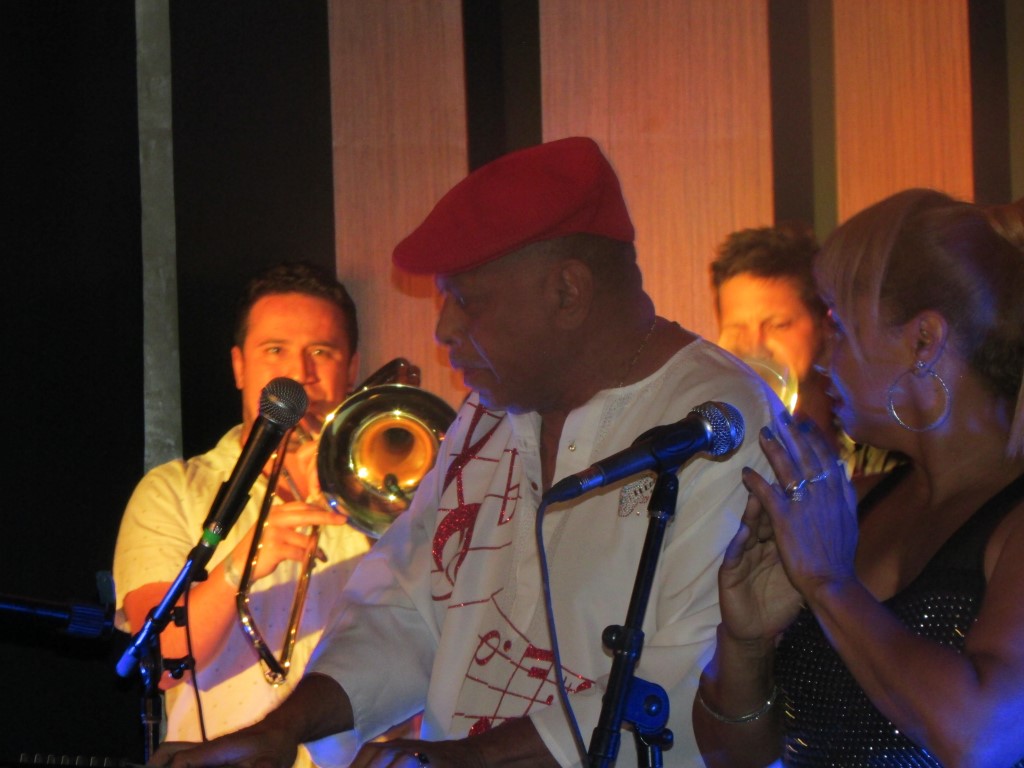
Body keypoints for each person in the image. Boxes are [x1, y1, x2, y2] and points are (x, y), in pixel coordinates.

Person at [152, 137, 782, 768]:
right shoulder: (489, 412)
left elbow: (687, 676)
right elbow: (406, 607)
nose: (443, 329)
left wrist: (467, 759)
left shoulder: (722, 421)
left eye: (466, 300)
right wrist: (282, 729)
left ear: (567, 291)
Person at [693, 189, 1024, 767]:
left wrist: (830, 586)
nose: (823, 359)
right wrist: (746, 643)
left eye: (840, 328)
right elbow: (731, 757)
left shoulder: (1012, 521)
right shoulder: (852, 505)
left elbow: (983, 738)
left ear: (924, 341)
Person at [113, 262, 375, 767]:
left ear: (352, 369)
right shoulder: (173, 491)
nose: (300, 374)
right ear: (239, 366)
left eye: (322, 352)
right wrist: (241, 562)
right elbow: (161, 658)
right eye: (275, 350)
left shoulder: (391, 494)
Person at [710, 224, 899, 478]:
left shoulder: (878, 445)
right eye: (737, 328)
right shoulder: (710, 451)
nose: (755, 346)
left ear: (825, 326)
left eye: (778, 325)